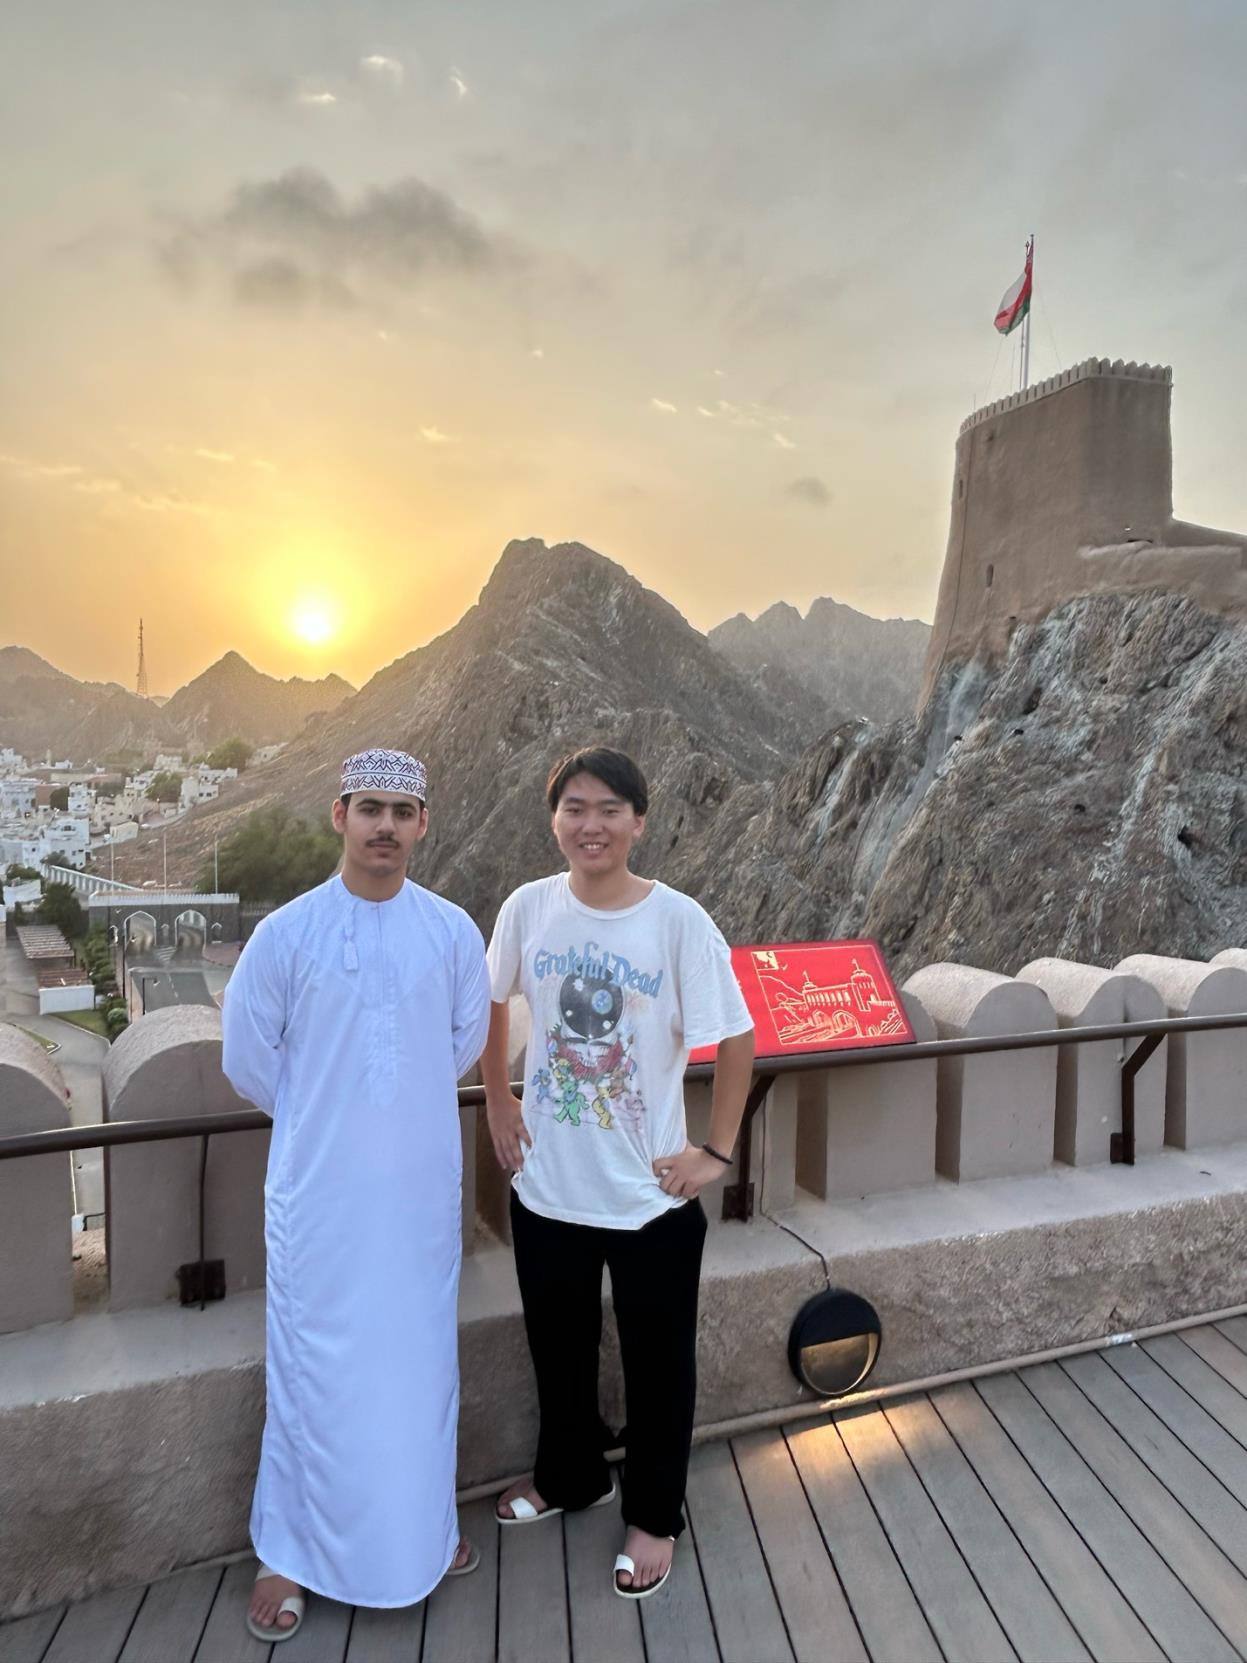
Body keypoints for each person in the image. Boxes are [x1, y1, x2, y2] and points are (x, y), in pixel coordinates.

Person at [222, 748, 491, 1643]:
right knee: (315, 1371)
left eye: (402, 810)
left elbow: (458, 1042)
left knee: (418, 1370)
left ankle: (424, 1529)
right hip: (320, 1199)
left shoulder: (452, 931)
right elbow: (249, 1060)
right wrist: (329, 1118)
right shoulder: (287, 935)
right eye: (369, 806)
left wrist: (385, 1115)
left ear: (422, 825)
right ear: (338, 815)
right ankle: (289, 1550)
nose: (385, 825)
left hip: (416, 1199)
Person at [482, 746, 755, 1600]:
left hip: (649, 1197)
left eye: (608, 808)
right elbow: (493, 1003)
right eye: (572, 806)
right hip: (547, 1187)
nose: (589, 823)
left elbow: (736, 1035)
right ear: (553, 817)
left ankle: (653, 1511)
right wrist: (498, 1099)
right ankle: (569, 1477)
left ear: (639, 820)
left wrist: (715, 1149)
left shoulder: (675, 921)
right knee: (556, 1354)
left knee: (657, 1364)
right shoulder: (529, 908)